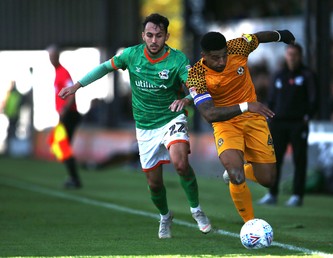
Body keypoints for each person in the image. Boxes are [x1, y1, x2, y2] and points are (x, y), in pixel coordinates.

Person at [58, 13, 211, 239]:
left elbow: (193, 86)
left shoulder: (177, 60)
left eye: (159, 36)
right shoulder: (131, 55)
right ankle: (165, 216)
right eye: (149, 35)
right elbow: (104, 68)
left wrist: (187, 100)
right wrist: (78, 86)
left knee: (180, 163)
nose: (154, 40)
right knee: (155, 183)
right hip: (145, 127)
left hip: (171, 118)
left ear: (167, 36)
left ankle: (196, 210)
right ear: (143, 36)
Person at [186, 30, 295, 223]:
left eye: (224, 56)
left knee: (268, 180)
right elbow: (209, 114)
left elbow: (259, 37)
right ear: (204, 56)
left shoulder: (238, 46)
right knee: (235, 174)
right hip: (225, 123)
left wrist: (280, 35)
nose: (221, 61)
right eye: (215, 58)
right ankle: (250, 223)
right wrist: (246, 106)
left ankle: (240, 172)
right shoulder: (196, 75)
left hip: (254, 120)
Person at [257, 43, 318, 207]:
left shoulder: (307, 75)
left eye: (295, 54)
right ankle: (272, 193)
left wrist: (308, 116)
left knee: (299, 159)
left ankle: (297, 195)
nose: (291, 57)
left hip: (298, 124)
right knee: (274, 159)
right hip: (278, 123)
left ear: (300, 56)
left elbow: (314, 99)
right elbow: (271, 99)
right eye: (289, 54)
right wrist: (268, 115)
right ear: (286, 56)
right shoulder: (278, 75)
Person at [47, 45, 83, 189]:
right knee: (59, 144)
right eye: (50, 57)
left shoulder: (63, 73)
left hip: (70, 115)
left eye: (53, 56)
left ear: (58, 56)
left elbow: (71, 93)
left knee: (62, 145)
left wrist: (64, 110)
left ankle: (74, 178)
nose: (52, 59)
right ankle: (73, 176)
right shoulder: (58, 72)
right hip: (66, 115)